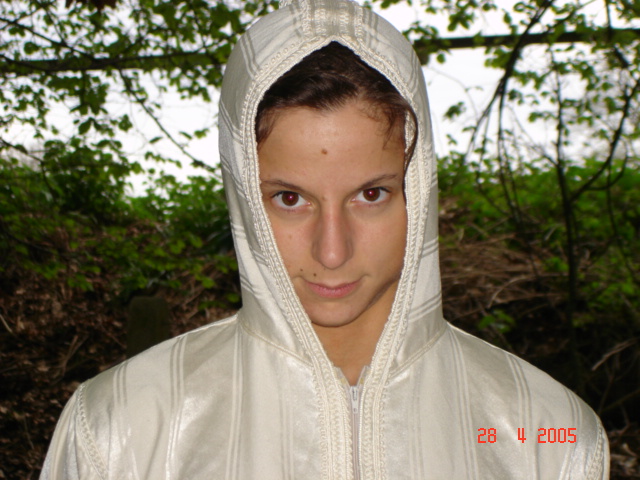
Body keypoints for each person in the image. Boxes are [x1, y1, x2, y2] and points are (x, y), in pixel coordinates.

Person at [41, 0, 610, 478]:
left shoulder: (548, 433)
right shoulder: (117, 428)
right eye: (290, 199)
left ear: (418, 190)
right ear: (244, 196)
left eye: (371, 194)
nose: (332, 252)